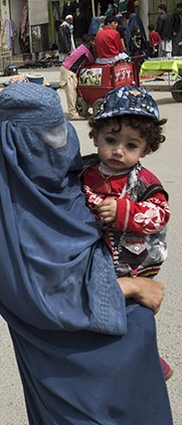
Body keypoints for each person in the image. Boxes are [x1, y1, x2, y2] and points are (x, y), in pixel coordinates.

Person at [0, 82, 173, 425]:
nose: (59, 143)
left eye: (60, 129)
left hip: (129, 363)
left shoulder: (70, 177)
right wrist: (129, 287)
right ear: (13, 144)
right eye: (45, 136)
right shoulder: (8, 218)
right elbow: (40, 301)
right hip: (69, 371)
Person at [80, 86, 173, 380]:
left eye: (131, 145)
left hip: (134, 263)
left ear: (146, 148)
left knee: (133, 315)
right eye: (111, 140)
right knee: (103, 313)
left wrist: (125, 213)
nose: (118, 150)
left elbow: (161, 214)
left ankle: (149, 359)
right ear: (95, 136)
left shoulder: (143, 182)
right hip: (98, 257)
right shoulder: (85, 171)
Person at [59, 34, 96, 120]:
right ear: (90, 42)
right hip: (68, 70)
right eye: (94, 42)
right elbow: (92, 60)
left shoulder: (82, 47)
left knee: (74, 92)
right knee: (71, 93)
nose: (95, 43)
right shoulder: (86, 50)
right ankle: (72, 114)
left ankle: (76, 111)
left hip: (68, 69)